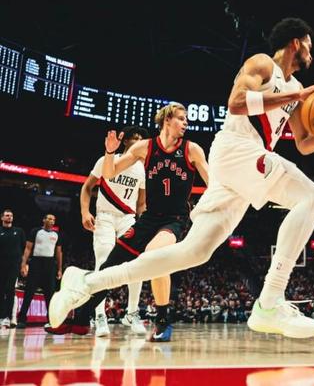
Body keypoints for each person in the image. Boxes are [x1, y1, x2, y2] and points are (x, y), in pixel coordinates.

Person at [50, 17, 314, 339]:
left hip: (242, 165)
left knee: (194, 252)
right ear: (296, 42)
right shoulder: (263, 64)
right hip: (236, 147)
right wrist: (297, 96)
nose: (312, 51)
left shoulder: (296, 89)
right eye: (309, 44)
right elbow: (236, 104)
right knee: (312, 196)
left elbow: (304, 143)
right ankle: (270, 301)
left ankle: (85, 282)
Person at [48, 103, 208, 342]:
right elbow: (109, 174)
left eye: (186, 120)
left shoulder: (191, 149)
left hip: (174, 219)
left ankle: (163, 320)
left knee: (156, 255)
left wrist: (205, 212)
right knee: (109, 266)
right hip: (149, 218)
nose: (186, 123)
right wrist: (109, 152)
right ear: (167, 120)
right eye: (181, 118)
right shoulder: (145, 147)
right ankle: (81, 319)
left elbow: (213, 183)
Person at [80, 125, 149, 337]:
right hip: (105, 217)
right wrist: (85, 212)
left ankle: (132, 313)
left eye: (142, 139)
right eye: (135, 138)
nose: (139, 142)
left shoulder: (141, 169)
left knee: (136, 264)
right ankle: (99, 315)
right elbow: (87, 187)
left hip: (128, 219)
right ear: (124, 140)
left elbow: (141, 203)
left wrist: (145, 223)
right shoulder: (106, 160)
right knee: (103, 263)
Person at [17, 213, 62, 328]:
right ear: (44, 220)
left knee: (50, 294)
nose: (52, 221)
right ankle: (22, 320)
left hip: (50, 264)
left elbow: (58, 252)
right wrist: (23, 264)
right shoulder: (35, 231)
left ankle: (51, 320)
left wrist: (59, 269)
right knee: (29, 292)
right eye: (50, 219)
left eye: (53, 219)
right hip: (36, 262)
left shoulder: (56, 234)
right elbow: (28, 248)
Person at [0, 209, 26, 328]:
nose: (9, 217)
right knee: (1, 291)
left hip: (14, 266)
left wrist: (24, 264)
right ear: (2, 218)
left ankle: (8, 317)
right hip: (1, 265)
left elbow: (25, 249)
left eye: (11, 215)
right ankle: (2, 317)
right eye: (7, 215)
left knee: (9, 289)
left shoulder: (19, 231)